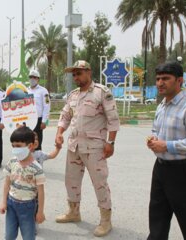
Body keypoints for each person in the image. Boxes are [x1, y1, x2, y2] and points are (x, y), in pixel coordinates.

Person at [55, 60, 120, 237]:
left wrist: (111, 143)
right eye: (74, 74)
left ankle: (106, 220)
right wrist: (60, 132)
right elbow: (66, 115)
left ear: (88, 72)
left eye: (79, 73)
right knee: (71, 181)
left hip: (95, 147)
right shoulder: (73, 95)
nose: (76, 77)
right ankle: (73, 211)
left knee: (99, 183)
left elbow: (113, 119)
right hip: (74, 145)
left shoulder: (102, 92)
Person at [146, 61, 186, 240]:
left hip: (183, 170)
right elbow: (156, 130)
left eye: (165, 78)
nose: (160, 83)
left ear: (179, 80)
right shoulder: (161, 106)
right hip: (161, 168)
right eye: (157, 79)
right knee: (157, 216)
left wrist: (167, 145)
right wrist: (153, 139)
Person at [0, 126, 46, 240]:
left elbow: (41, 192)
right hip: (11, 205)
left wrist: (40, 212)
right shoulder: (12, 162)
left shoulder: (37, 168)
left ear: (30, 146)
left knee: (28, 236)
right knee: (9, 236)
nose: (15, 149)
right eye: (13, 146)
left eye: (18, 146)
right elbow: (7, 184)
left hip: (28, 207)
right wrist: (3, 202)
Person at [27, 70, 50, 150]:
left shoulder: (44, 91)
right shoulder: (25, 91)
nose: (32, 79)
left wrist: (44, 121)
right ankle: (28, 162)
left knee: (37, 143)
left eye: (34, 77)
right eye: (30, 77)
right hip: (27, 120)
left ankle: (38, 162)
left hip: (38, 121)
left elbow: (47, 106)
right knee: (27, 142)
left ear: (38, 79)